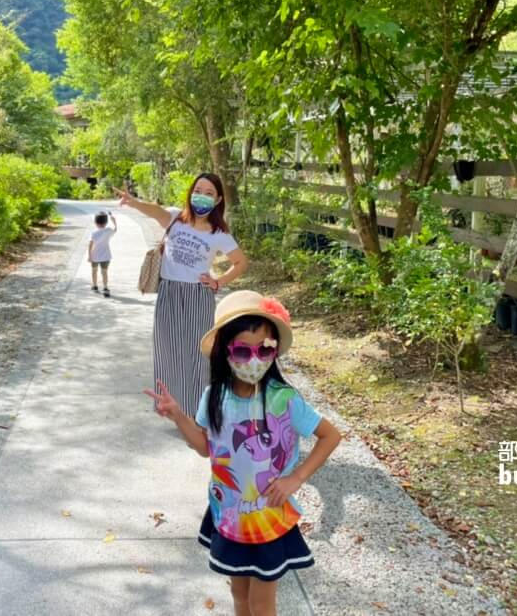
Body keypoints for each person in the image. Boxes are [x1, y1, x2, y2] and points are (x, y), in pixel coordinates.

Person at [144, 290, 341, 616]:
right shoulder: (215, 396)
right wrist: (178, 416)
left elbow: (330, 436)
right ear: (224, 352)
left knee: (262, 604)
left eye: (265, 349)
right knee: (239, 594)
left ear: (275, 350)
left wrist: (296, 478)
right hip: (230, 515)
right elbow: (207, 448)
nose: (254, 360)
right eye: (242, 350)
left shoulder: (284, 399)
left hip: (268, 520)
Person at [116, 172, 249, 414]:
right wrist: (134, 202)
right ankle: (172, 409)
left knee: (198, 355)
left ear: (218, 200)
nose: (202, 197)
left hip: (198, 296)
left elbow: (240, 262)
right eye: (198, 191)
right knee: (168, 352)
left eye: (209, 193)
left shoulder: (218, 233)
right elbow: (155, 211)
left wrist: (218, 281)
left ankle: (199, 412)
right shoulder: (176, 219)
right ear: (191, 192)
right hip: (170, 292)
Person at [88, 210, 117, 297]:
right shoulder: (108, 230)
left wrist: (89, 256)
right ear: (106, 222)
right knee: (104, 272)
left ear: (95, 222)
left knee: (94, 271)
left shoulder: (93, 233)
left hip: (94, 256)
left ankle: (95, 285)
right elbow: (115, 230)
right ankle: (105, 287)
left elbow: (90, 245)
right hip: (106, 256)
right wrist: (114, 222)